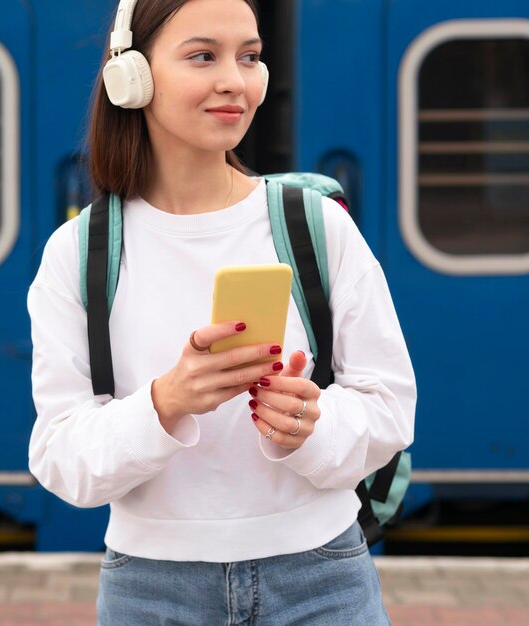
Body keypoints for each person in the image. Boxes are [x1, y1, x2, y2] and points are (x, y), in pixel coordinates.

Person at [28, 0, 416, 623]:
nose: (236, 80)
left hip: (323, 579)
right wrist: (167, 402)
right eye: (203, 56)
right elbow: (58, 458)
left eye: (251, 57)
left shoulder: (316, 225)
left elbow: (391, 409)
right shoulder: (78, 253)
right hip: (150, 592)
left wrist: (311, 424)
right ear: (133, 75)